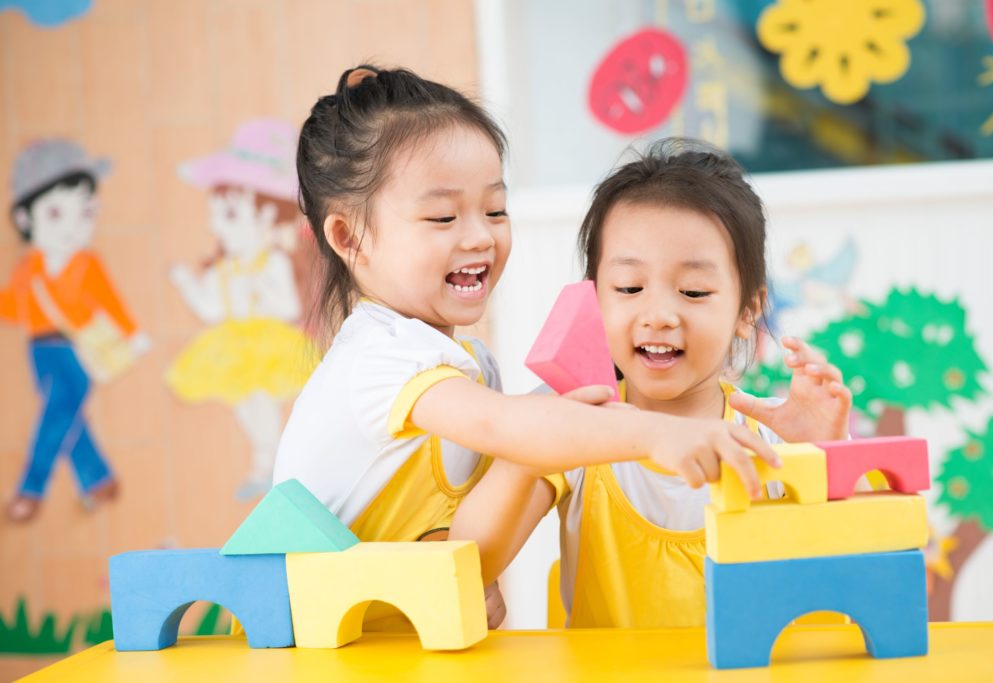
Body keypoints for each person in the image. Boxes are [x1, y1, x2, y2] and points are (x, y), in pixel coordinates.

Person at [273, 69, 778, 628]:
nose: (479, 236)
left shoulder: (471, 370)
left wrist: (464, 569)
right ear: (349, 238)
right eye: (443, 216)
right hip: (312, 640)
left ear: (746, 308)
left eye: (495, 210)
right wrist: (654, 432)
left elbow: (473, 520)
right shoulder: (378, 358)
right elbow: (507, 433)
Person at [450, 138, 853, 628]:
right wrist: (530, 439)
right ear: (594, 299)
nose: (658, 315)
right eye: (629, 288)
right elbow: (467, 565)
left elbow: (847, 593)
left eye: (693, 291)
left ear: (748, 309)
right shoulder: (576, 425)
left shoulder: (773, 436)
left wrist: (821, 458)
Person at [166, 119, 315, 501]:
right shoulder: (224, 269)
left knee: (263, 403)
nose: (219, 226)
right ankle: (267, 465)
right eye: (216, 214)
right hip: (234, 347)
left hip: (267, 344)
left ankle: (274, 465)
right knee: (246, 406)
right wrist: (188, 285)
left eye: (229, 214)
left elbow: (286, 306)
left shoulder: (273, 264)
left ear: (267, 216)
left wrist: (260, 290)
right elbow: (213, 309)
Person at [1, 140, 149, 522]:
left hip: (80, 349)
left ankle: (31, 490)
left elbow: (111, 302)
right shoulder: (28, 269)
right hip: (41, 351)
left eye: (82, 212)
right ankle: (98, 480)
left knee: (60, 412)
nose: (71, 225)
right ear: (24, 219)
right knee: (66, 414)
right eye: (54, 212)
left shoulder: (87, 264)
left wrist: (132, 334)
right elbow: (14, 307)